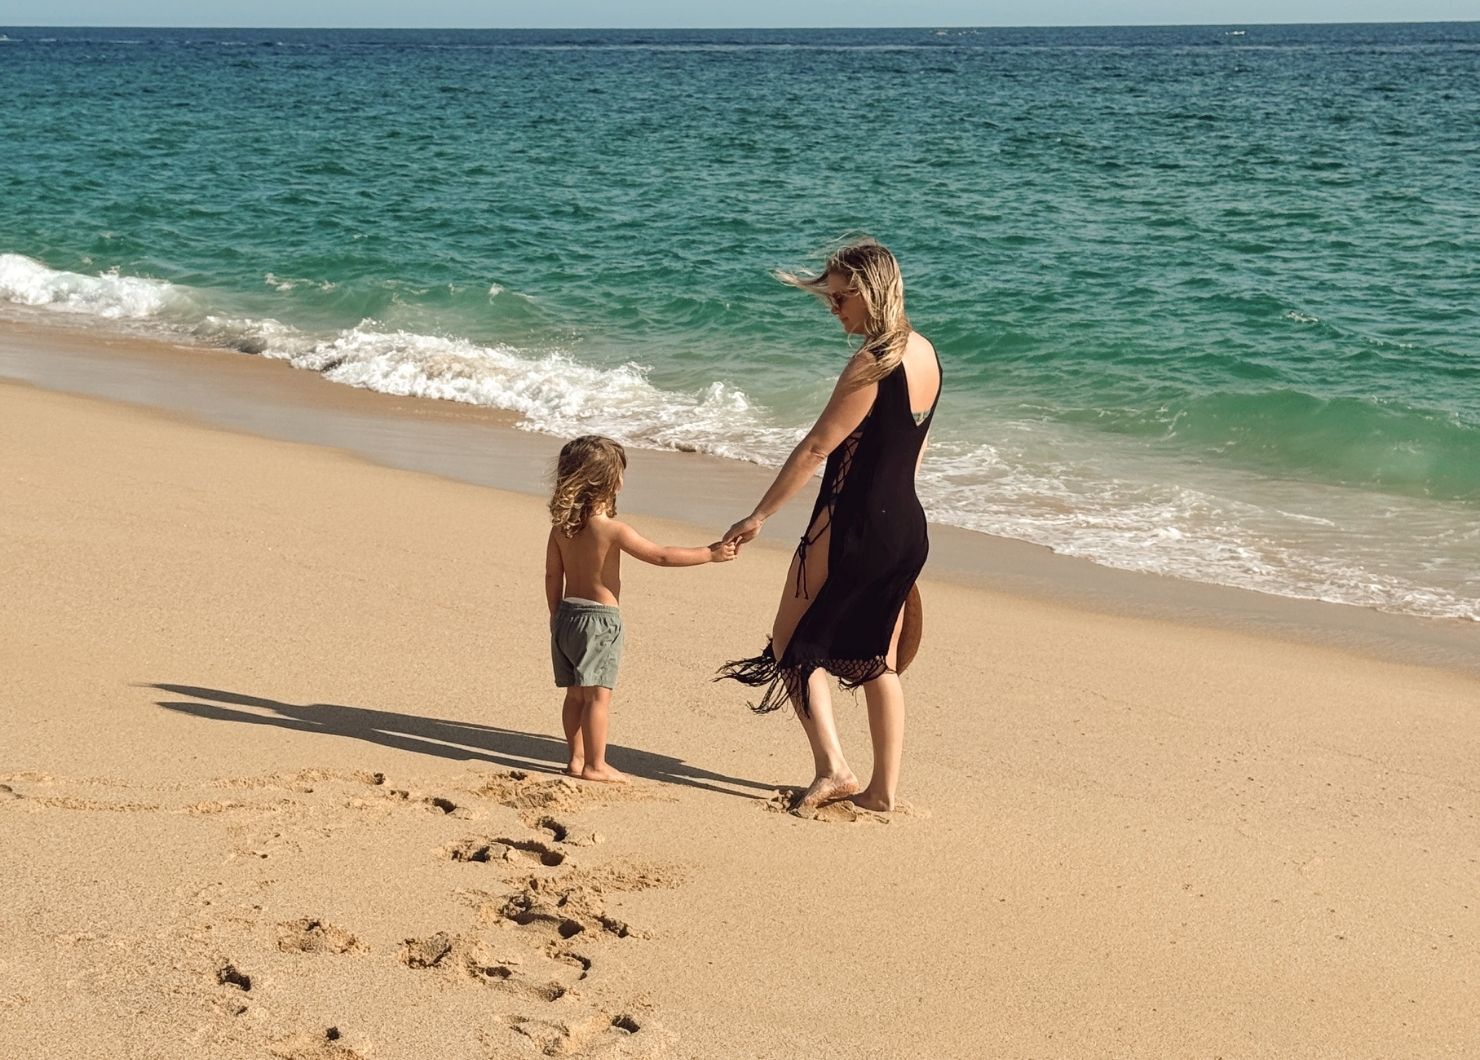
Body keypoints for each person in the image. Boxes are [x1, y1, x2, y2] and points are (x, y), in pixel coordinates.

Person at [717, 239, 940, 815]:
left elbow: (818, 448)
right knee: (876, 662)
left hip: (851, 525)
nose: (832, 308)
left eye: (840, 297)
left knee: (793, 645)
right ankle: (882, 791)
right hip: (907, 527)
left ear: (870, 292)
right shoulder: (926, 354)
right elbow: (914, 453)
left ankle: (834, 768)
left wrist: (758, 516)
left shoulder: (875, 361)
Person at [547, 434, 737, 782]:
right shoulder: (612, 530)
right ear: (611, 483)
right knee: (597, 698)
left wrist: (554, 614)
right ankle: (595, 765)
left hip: (565, 617)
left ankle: (575, 759)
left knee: (575, 695)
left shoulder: (561, 528)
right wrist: (709, 554)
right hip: (599, 622)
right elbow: (661, 555)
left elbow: (551, 574)